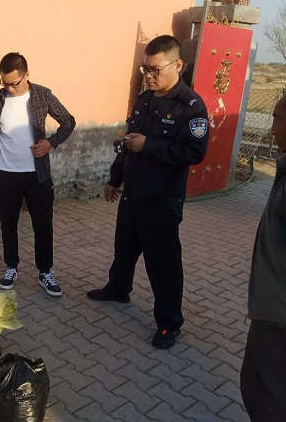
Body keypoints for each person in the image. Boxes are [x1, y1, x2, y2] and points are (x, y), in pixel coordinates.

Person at [87, 35, 209, 349]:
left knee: (163, 264)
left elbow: (194, 152)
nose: (149, 75)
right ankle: (118, 289)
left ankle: (169, 323)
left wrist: (150, 145)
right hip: (133, 194)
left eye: (155, 69)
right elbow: (129, 143)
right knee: (124, 249)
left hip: (162, 200)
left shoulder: (190, 106)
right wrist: (115, 178)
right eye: (145, 69)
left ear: (178, 65)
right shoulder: (144, 100)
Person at [0, 52, 75, 297]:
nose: (9, 88)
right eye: (4, 83)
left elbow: (68, 121)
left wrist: (51, 142)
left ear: (26, 75)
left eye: (14, 83)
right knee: (8, 224)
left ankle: (45, 271)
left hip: (38, 176)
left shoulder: (43, 95)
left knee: (43, 226)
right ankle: (11, 267)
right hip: (6, 174)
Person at [240, 85, 286, 421]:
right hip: (284, 313)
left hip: (285, 321)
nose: (272, 130)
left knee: (267, 398)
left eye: (278, 119)